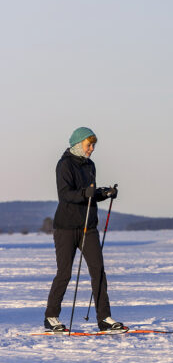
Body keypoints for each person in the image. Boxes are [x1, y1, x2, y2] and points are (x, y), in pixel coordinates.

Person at [44, 127, 124, 333]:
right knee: (64, 273)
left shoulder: (90, 166)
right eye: (89, 145)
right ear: (79, 144)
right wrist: (86, 192)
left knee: (98, 271)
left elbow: (89, 196)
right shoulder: (64, 164)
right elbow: (65, 195)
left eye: (93, 145)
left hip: (89, 226)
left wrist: (104, 193)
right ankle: (51, 317)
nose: (92, 149)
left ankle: (104, 318)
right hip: (66, 228)